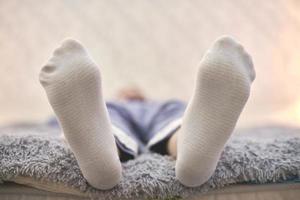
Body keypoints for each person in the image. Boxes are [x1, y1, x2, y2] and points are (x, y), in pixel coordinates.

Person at [39, 36, 255, 190]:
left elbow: (51, 122)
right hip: (113, 114)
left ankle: (195, 154)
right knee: (110, 124)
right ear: (120, 94)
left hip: (156, 111)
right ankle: (100, 157)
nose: (132, 93)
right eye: (127, 91)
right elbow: (54, 121)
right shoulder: (112, 104)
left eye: (135, 91)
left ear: (141, 95)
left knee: (176, 118)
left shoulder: (154, 103)